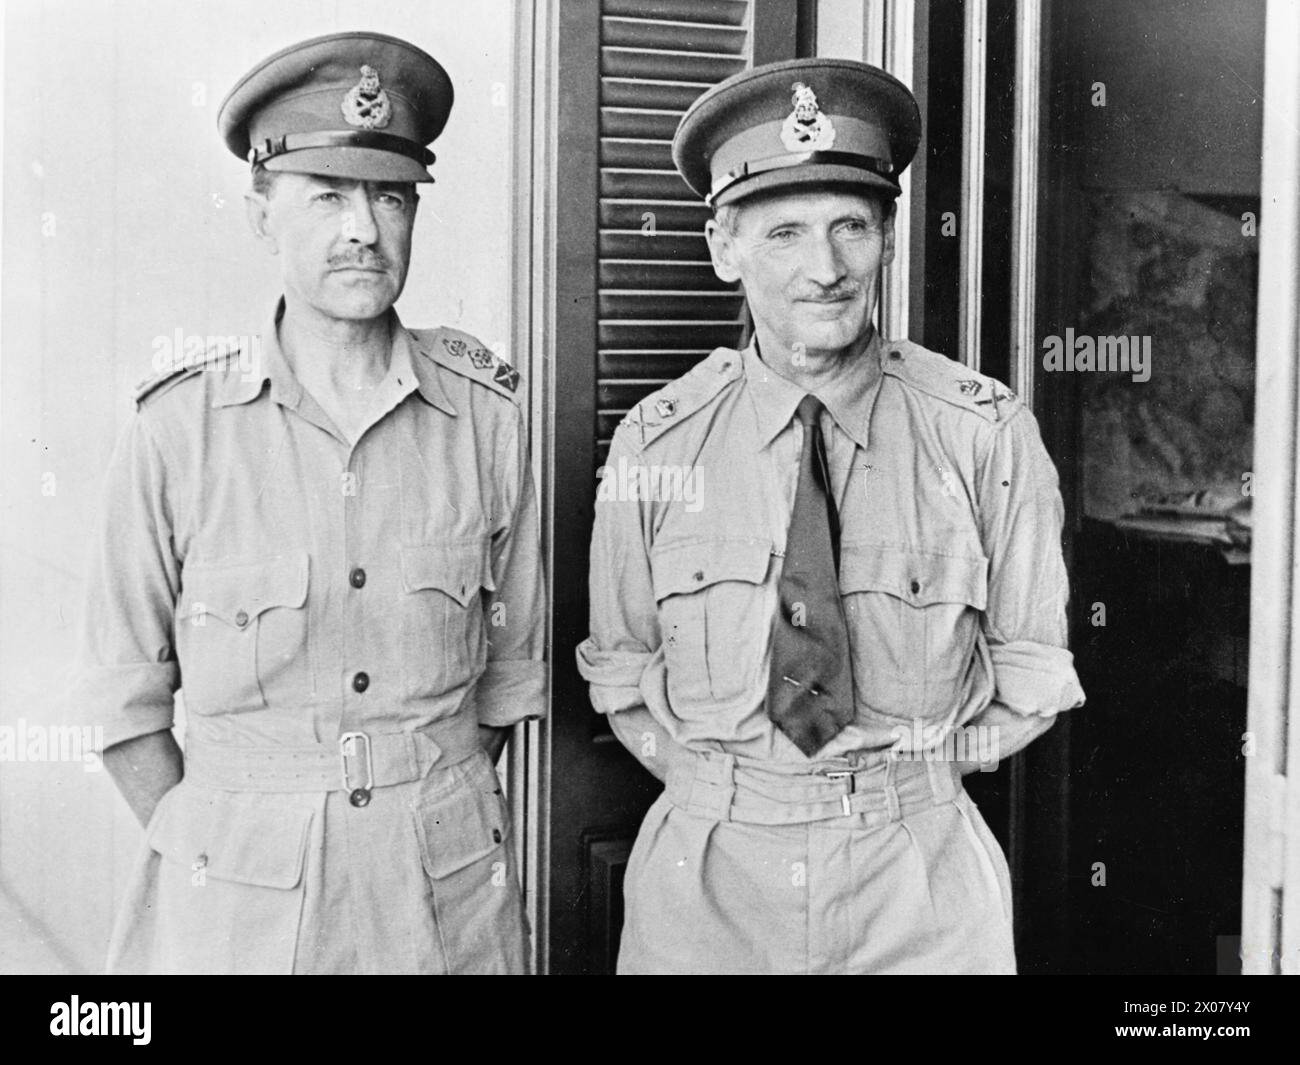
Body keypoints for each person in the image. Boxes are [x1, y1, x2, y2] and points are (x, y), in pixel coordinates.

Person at [577, 58, 1086, 974]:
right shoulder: (655, 447)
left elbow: (1033, 677)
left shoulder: (984, 434)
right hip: (709, 888)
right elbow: (621, 678)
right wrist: (729, 789)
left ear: (889, 237)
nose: (825, 269)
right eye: (785, 233)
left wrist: (909, 782)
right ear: (723, 247)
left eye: (852, 225)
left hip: (919, 887)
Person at [76, 31, 544, 974]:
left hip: (443, 899)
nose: (362, 230)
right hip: (238, 911)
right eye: (327, 195)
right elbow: (124, 705)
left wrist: (413, 798)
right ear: (262, 214)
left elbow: (508, 676)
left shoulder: (489, 421)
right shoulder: (177, 430)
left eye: (389, 196)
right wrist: (238, 833)